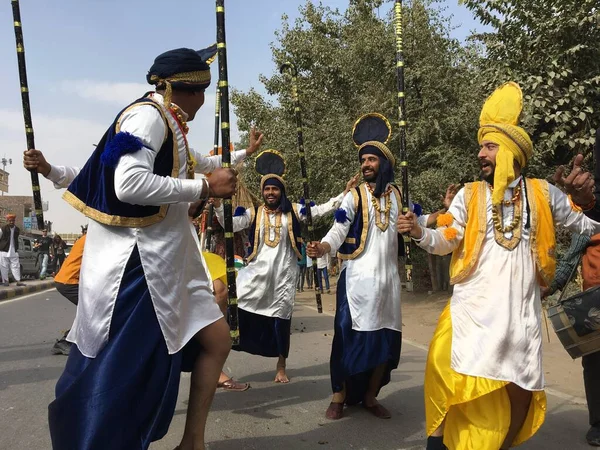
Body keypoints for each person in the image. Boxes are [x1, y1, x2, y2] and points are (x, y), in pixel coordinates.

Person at [24, 46, 256, 450]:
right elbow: (125, 184)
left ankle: (193, 442)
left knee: (217, 342)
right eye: (200, 91)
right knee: (128, 374)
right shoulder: (146, 118)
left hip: (174, 265)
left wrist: (241, 157)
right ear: (183, 90)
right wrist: (204, 187)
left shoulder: (171, 123)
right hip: (140, 270)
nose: (204, 100)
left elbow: (203, 162)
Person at [397, 82, 600, 450]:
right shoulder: (469, 195)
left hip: (520, 317)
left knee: (521, 386)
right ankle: (438, 443)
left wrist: (589, 202)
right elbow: (448, 239)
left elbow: (586, 226)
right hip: (471, 312)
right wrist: (418, 234)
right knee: (444, 370)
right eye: (481, 146)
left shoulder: (543, 193)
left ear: (511, 151)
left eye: (489, 146)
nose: (481, 154)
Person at [307, 112, 448, 421]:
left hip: (388, 285)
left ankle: (370, 396)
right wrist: (323, 246)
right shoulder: (353, 196)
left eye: (372, 160)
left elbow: (417, 222)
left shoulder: (397, 195)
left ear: (384, 164)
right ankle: (339, 396)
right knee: (348, 339)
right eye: (364, 160)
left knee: (385, 342)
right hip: (356, 282)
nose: (366, 165)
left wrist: (444, 210)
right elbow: (338, 230)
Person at [215, 150, 358, 383]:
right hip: (255, 276)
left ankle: (281, 367)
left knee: (281, 321)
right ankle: (218, 366)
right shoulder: (254, 212)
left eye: (275, 189)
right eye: (267, 189)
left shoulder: (294, 210)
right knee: (235, 315)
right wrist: (220, 204)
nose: (270, 193)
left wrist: (343, 194)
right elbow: (230, 222)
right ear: (262, 192)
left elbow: (319, 210)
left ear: (281, 191)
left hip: (283, 277)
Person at [542, 232, 600, 446]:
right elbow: (569, 262)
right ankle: (598, 424)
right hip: (594, 309)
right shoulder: (587, 224)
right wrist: (549, 288)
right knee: (595, 365)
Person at [50, 230, 86, 356]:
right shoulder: (94, 240)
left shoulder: (88, 238)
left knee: (90, 311)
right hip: (70, 281)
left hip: (69, 280)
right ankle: (65, 342)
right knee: (92, 311)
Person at [0, 214, 25, 287]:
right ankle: (6, 281)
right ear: (7, 221)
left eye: (13, 221)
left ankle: (18, 281)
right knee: (4, 266)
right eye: (10, 221)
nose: (11, 222)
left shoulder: (17, 229)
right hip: (3, 251)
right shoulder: (3, 229)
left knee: (16, 266)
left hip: (13, 251)